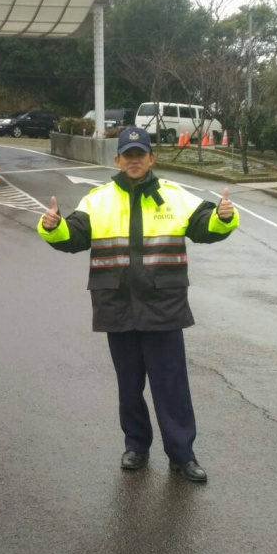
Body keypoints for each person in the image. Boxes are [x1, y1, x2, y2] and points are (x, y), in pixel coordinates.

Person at [38, 125, 239, 483]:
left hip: (164, 306)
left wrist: (223, 218)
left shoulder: (174, 196)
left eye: (140, 155)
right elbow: (74, 236)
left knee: (171, 385)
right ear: (118, 159)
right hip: (117, 305)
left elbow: (204, 226)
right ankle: (136, 446)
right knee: (129, 386)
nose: (134, 161)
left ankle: (182, 455)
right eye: (128, 156)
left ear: (151, 158)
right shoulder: (97, 200)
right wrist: (53, 226)